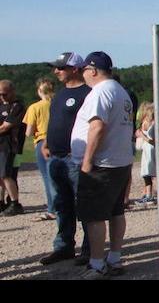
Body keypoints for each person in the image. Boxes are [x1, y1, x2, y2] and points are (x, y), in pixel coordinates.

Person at [71, 52, 135, 278]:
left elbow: (97, 127)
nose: (84, 75)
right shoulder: (120, 91)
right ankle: (114, 258)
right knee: (116, 212)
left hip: (102, 164)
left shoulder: (100, 91)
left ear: (94, 70)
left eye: (85, 70)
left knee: (95, 216)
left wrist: (87, 162)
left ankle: (97, 264)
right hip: (120, 161)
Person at [39, 52, 92, 266]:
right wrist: (46, 141)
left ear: (75, 69)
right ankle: (64, 246)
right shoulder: (60, 94)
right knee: (62, 204)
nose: (56, 71)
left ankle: (90, 248)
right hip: (56, 157)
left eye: (61, 68)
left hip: (75, 158)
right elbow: (55, 121)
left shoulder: (88, 93)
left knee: (84, 204)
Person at [24, 79, 57, 220]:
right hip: (58, 141)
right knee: (58, 176)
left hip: (42, 141)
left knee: (47, 177)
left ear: (39, 91)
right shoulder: (56, 104)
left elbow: (29, 131)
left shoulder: (34, 107)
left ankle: (52, 208)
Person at [0, 81, 27, 216]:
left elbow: (6, 126)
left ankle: (15, 203)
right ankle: (2, 202)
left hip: (10, 146)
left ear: (12, 91)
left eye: (4, 94)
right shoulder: (1, 105)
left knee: (7, 175)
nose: (2, 97)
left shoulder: (17, 107)